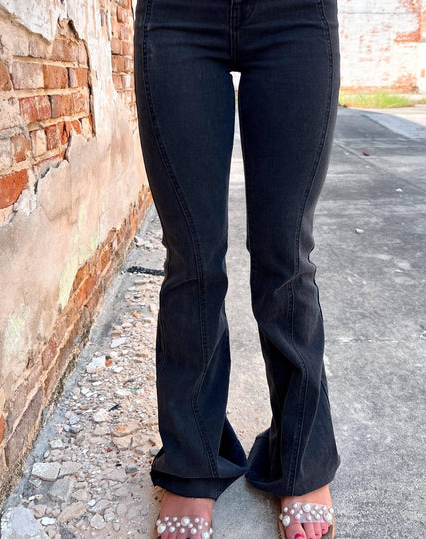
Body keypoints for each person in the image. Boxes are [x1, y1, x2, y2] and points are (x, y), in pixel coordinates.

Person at [133, 1, 341, 538]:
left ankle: (300, 459)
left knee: (287, 258)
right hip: (177, 16)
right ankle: (192, 461)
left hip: (295, 15)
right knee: (192, 262)